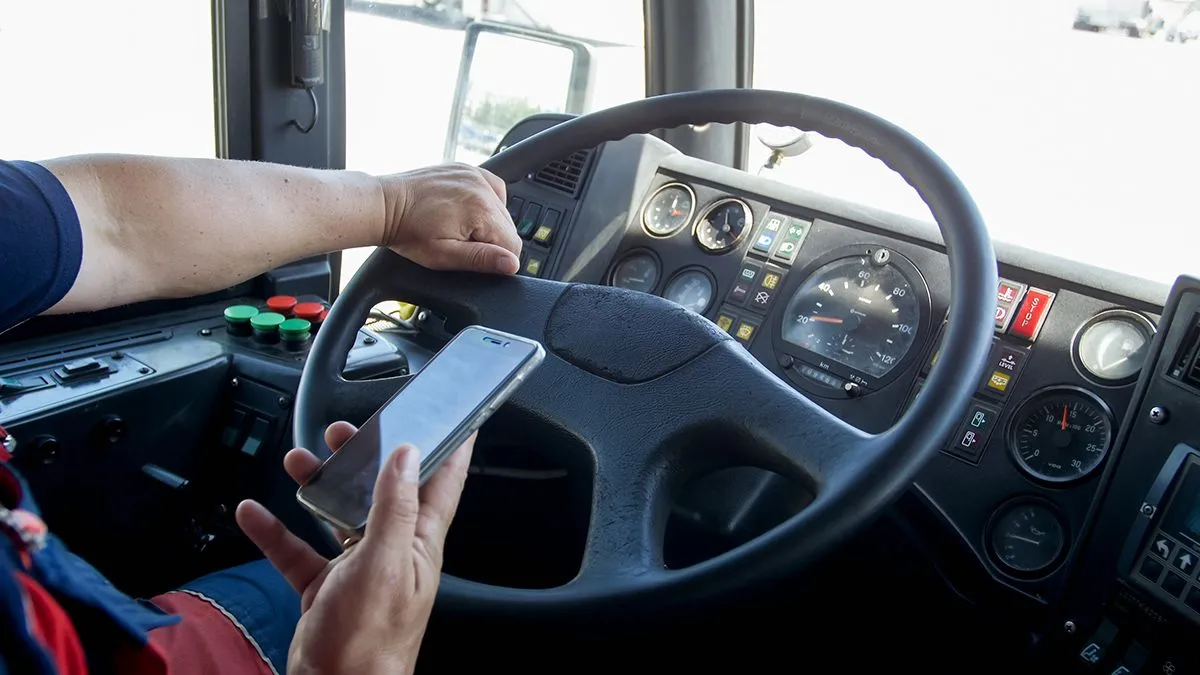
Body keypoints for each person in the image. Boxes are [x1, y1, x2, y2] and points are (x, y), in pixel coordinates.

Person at [0, 155, 522, 674]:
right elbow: (109, 222)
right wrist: (366, 662)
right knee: (321, 602)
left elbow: (110, 221)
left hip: (45, 603)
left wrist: (394, 206)